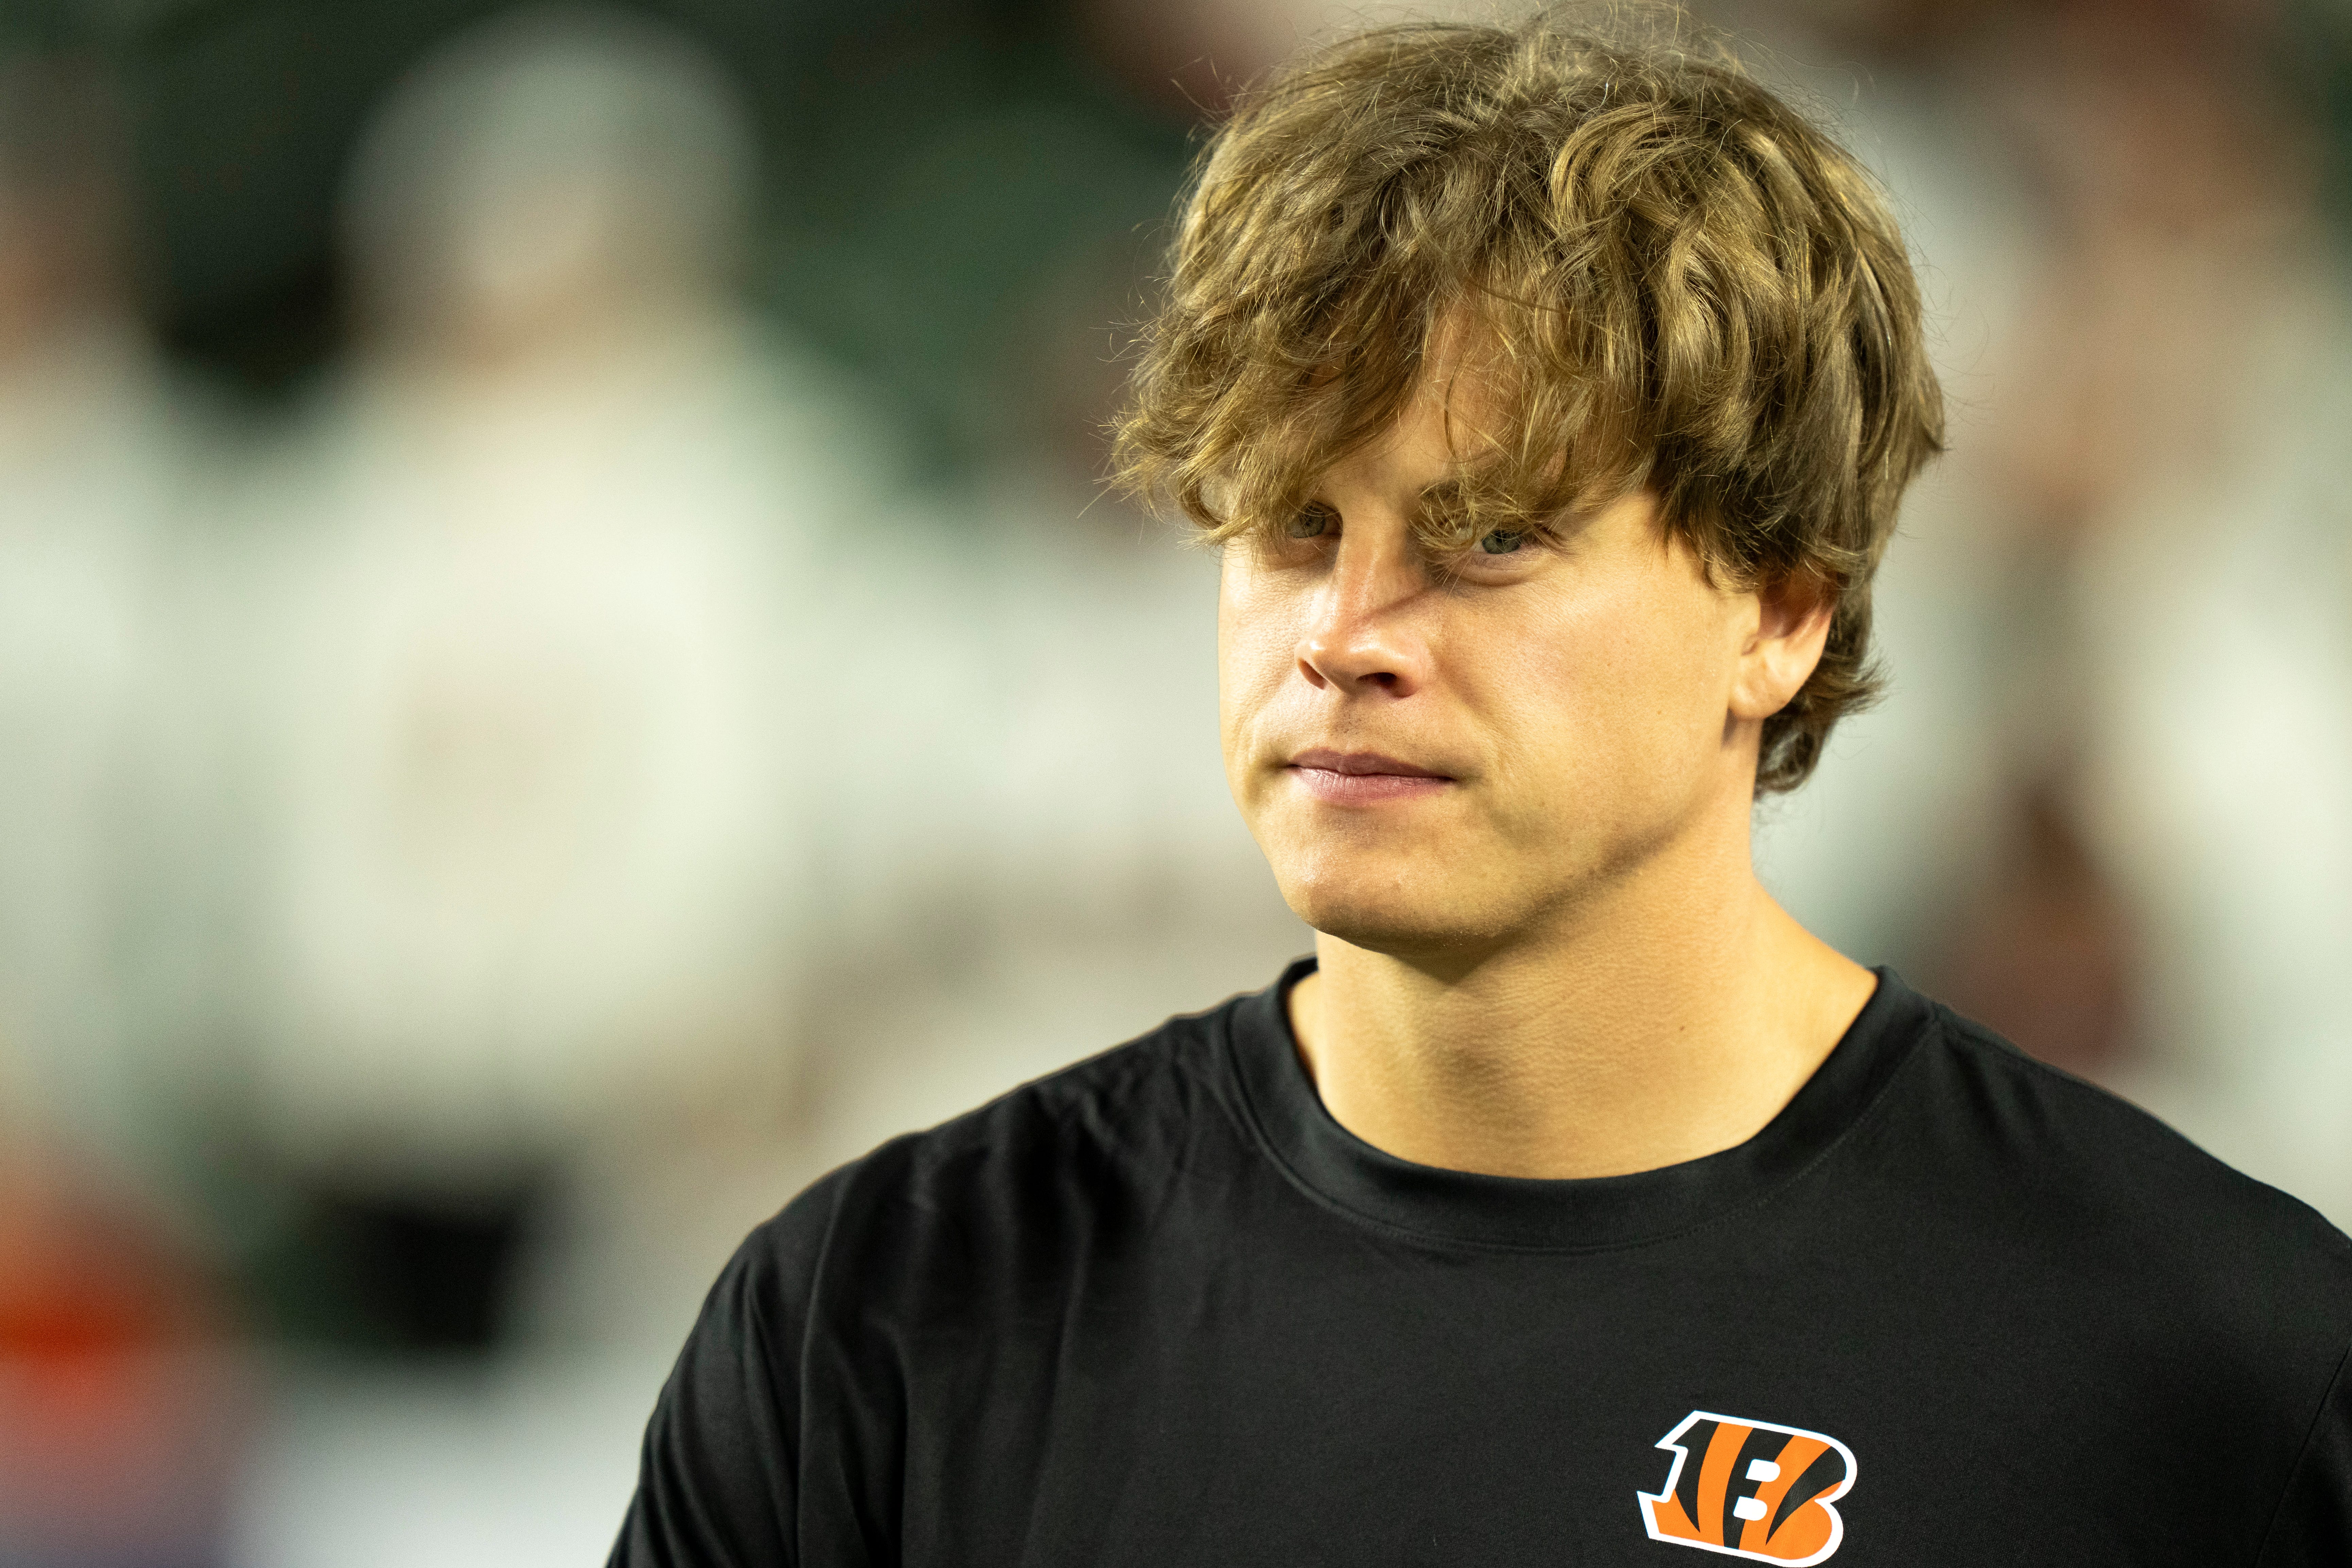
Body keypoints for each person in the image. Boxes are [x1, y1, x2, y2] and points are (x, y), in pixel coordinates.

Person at [610, 12, 2352, 1564]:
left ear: (1777, 609)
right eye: (1294, 526)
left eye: (1490, 535)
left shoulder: (2205, 1354)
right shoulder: (881, 1318)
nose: (1343, 636)